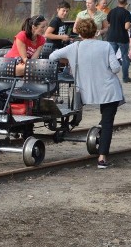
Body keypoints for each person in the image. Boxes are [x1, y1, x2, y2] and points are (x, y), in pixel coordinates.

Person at [49, 18, 123, 169]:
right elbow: (116, 68)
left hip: (85, 91)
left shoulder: (73, 48)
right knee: (108, 122)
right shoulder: (105, 46)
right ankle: (102, 158)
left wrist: (69, 61)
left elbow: (52, 56)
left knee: (104, 119)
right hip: (107, 89)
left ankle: (95, 133)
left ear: (80, 32)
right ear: (95, 31)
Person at [105, 0, 131, 83]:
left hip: (111, 36)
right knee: (125, 57)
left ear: (118, 1)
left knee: (110, 57)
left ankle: (108, 76)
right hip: (122, 38)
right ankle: (125, 77)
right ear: (126, 2)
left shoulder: (111, 11)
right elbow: (126, 27)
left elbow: (108, 23)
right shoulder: (126, 13)